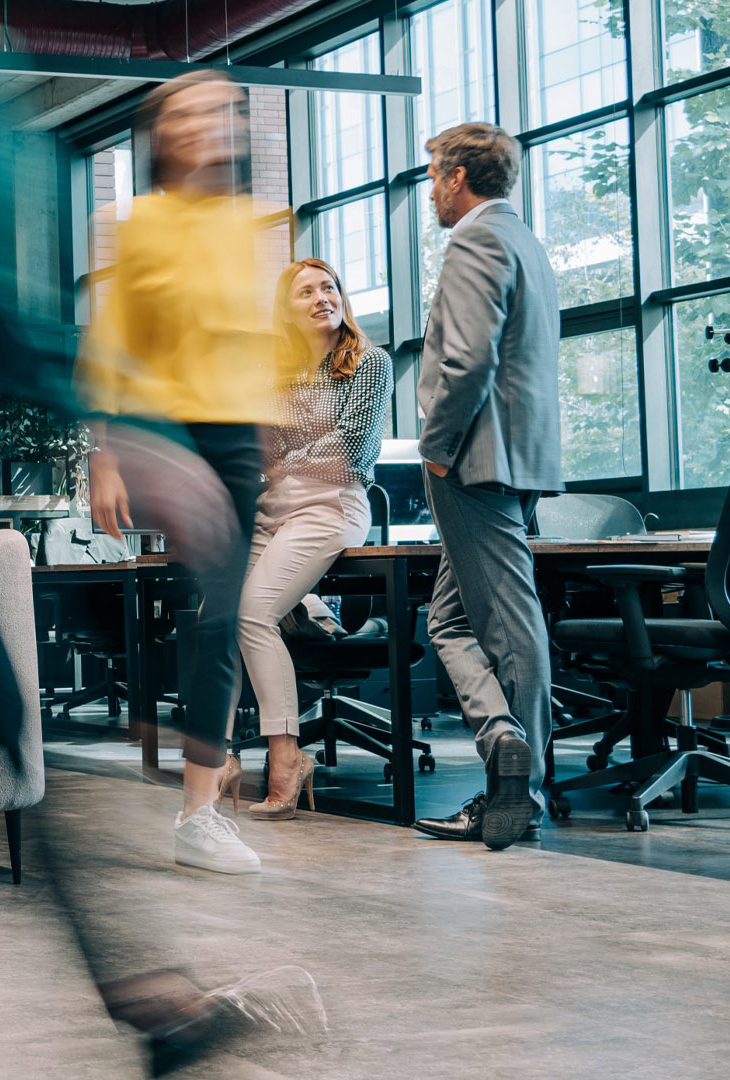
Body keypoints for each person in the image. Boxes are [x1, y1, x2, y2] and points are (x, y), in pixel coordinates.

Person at [81, 69, 290, 875]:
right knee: (206, 606)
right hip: (162, 427)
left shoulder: (256, 224)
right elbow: (111, 341)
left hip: (234, 434)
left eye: (221, 111)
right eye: (188, 113)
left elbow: (260, 342)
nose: (207, 125)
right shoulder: (132, 224)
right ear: (160, 134)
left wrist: (267, 432)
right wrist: (105, 453)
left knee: (223, 614)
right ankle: (189, 772)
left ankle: (199, 807)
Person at [410, 122, 561, 851]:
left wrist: (435, 450)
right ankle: (505, 742)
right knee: (449, 621)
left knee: (507, 621)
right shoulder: (525, 239)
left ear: (458, 177)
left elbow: (468, 359)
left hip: (472, 459)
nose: (431, 194)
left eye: (433, 178)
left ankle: (520, 792)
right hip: (515, 458)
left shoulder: (476, 239)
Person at [230, 258, 392, 819]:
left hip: (331, 504)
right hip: (272, 506)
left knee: (253, 613)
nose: (323, 297)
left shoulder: (369, 362)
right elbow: (261, 458)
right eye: (307, 292)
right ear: (287, 311)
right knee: (214, 615)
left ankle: (286, 758)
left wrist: (288, 462)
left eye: (330, 287)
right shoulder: (274, 376)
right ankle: (221, 756)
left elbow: (352, 450)